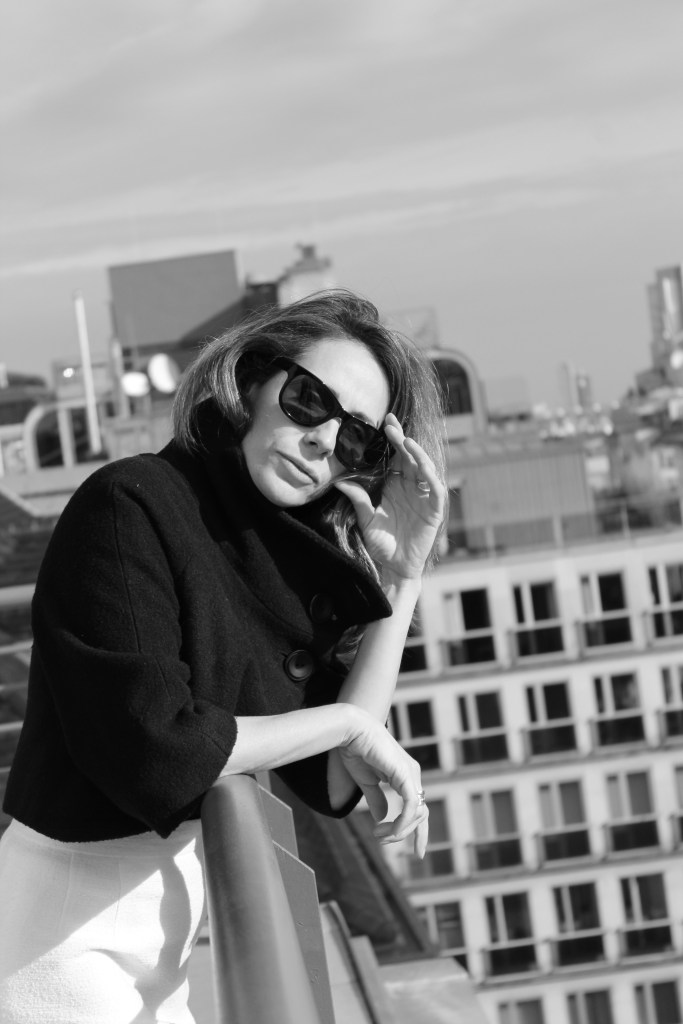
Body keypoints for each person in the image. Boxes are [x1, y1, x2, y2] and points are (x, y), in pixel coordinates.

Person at [0, 289, 447, 1023]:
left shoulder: (270, 554)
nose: (323, 441)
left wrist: (402, 580)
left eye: (358, 440)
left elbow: (333, 776)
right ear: (252, 379)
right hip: (63, 936)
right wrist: (346, 725)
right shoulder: (130, 503)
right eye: (309, 401)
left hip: (163, 942)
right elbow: (157, 749)